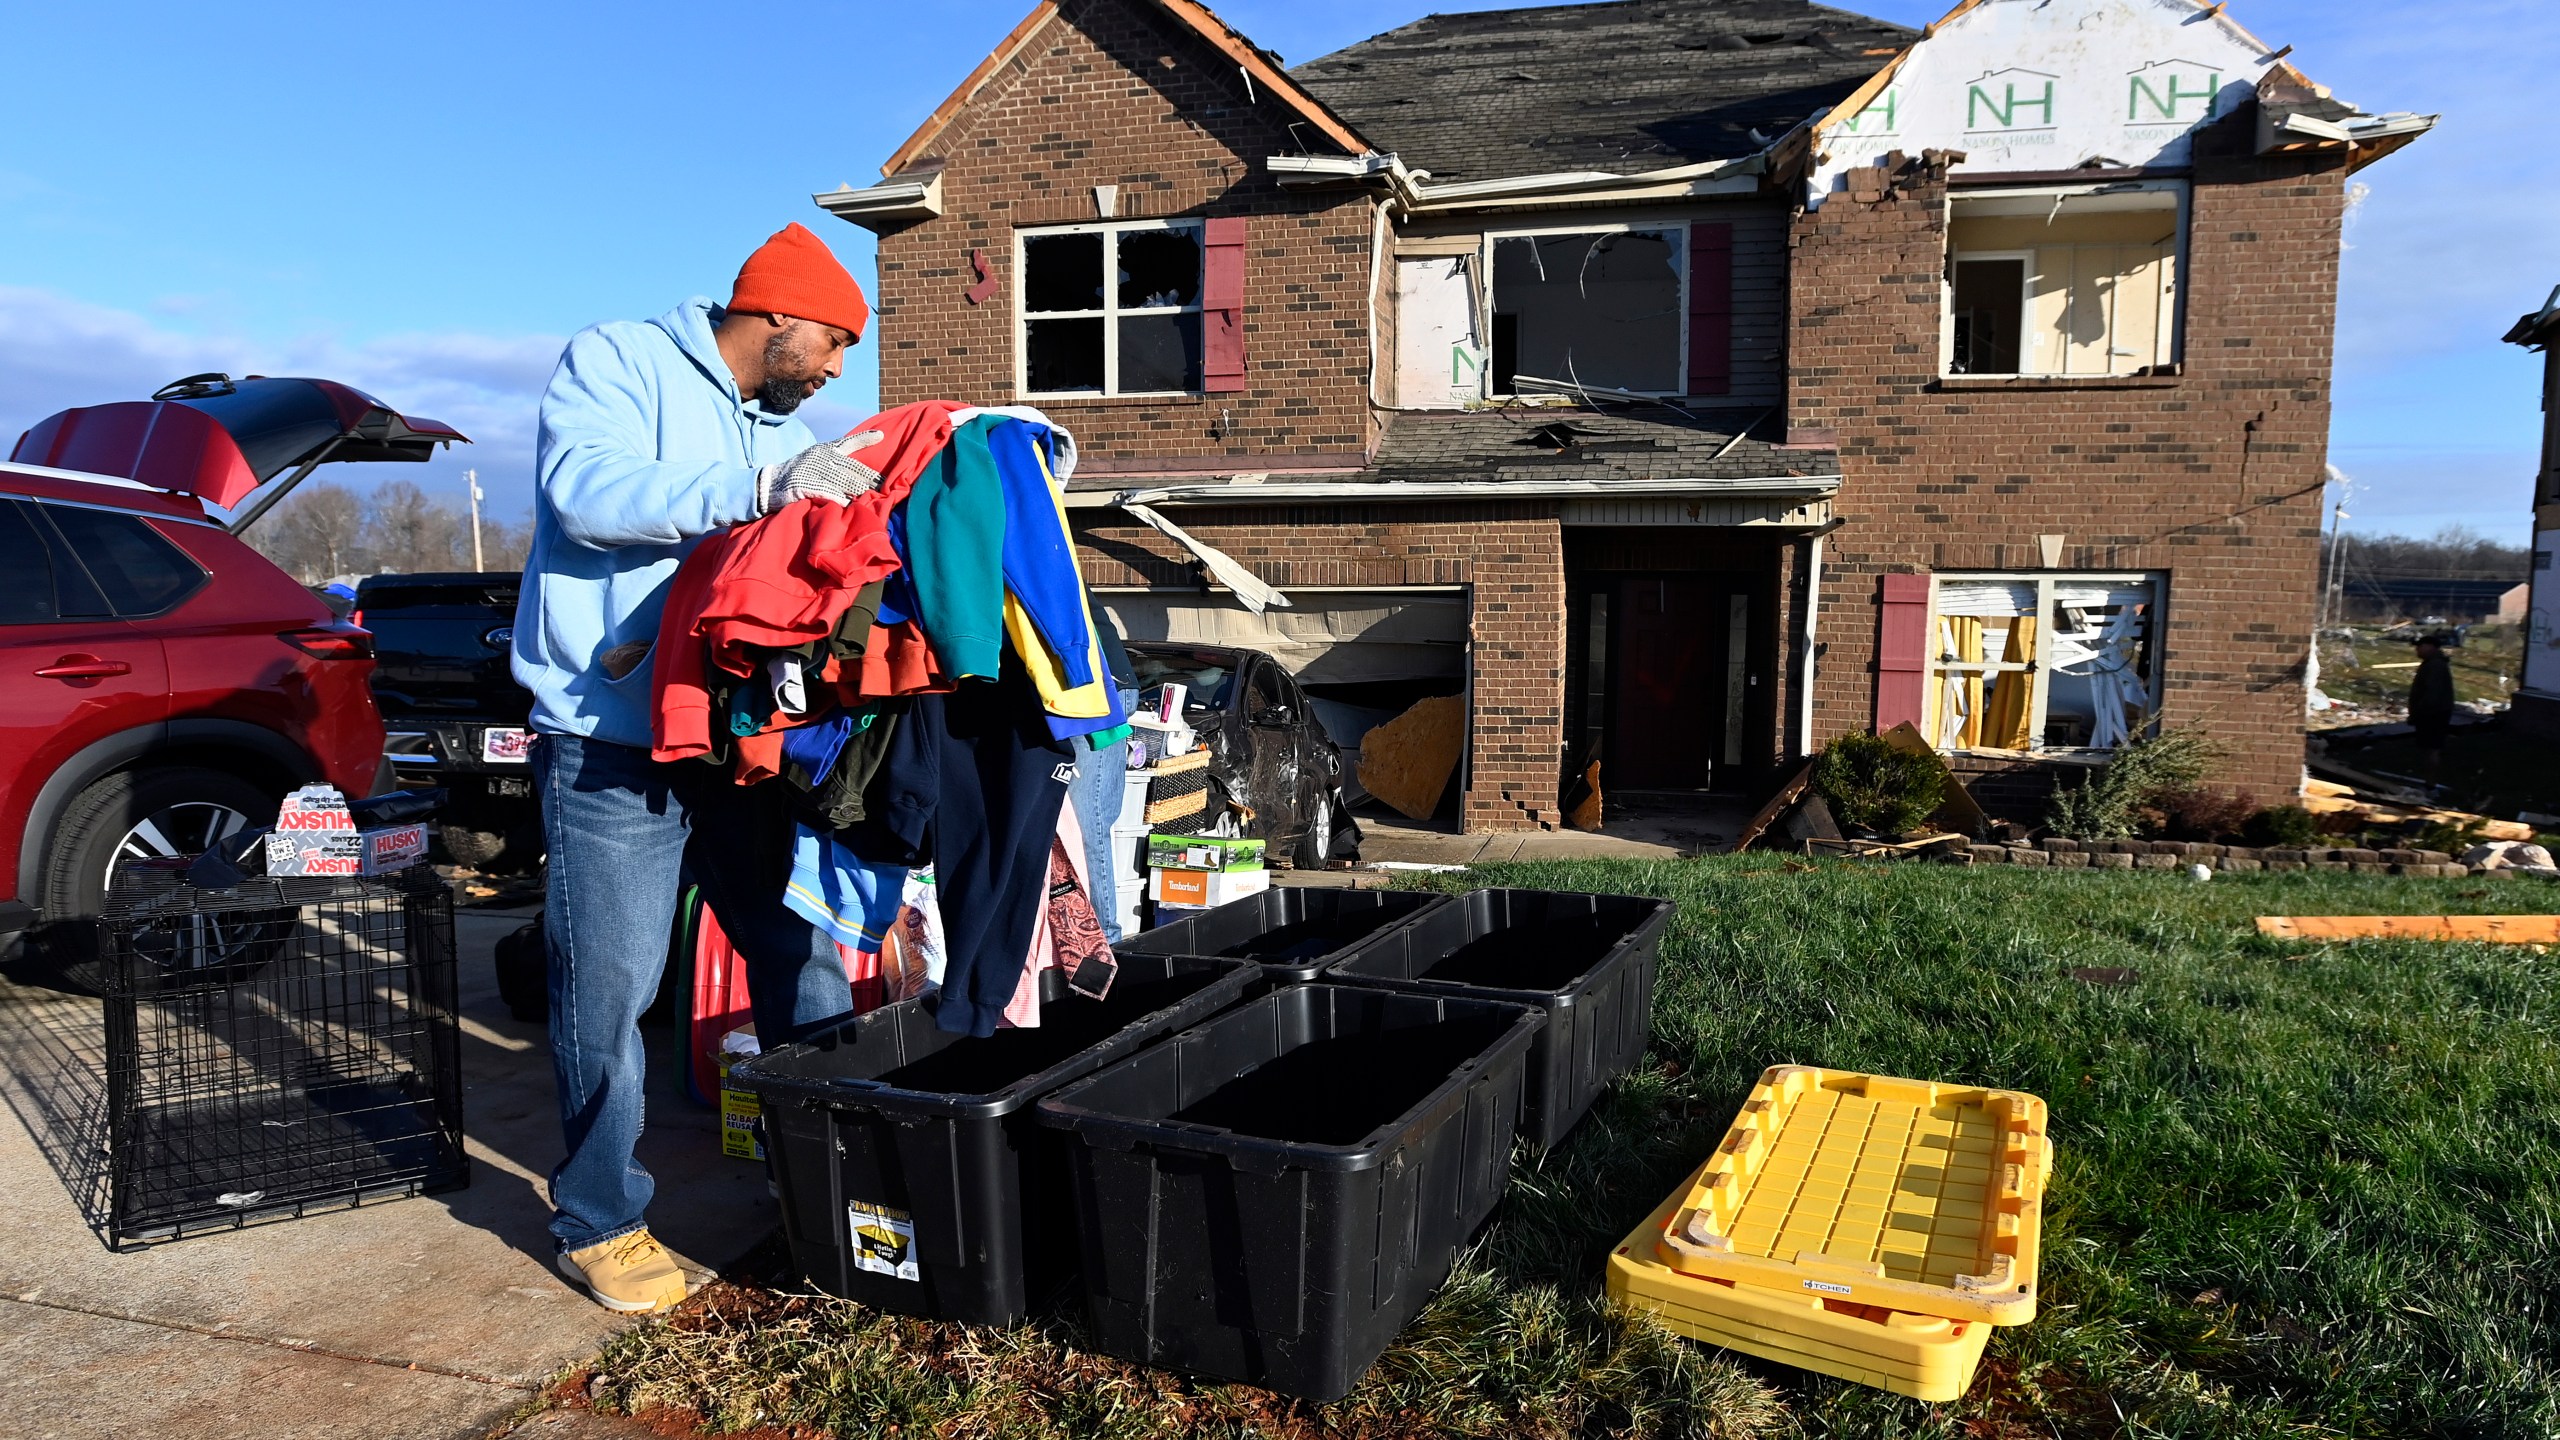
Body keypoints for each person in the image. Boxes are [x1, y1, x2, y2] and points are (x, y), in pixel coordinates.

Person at [511, 223, 881, 1313]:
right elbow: (587, 493)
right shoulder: (616, 361)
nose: (832, 370)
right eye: (832, 343)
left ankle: (815, 1164)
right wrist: (763, 485)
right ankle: (600, 1217)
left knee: (798, 953)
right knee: (612, 985)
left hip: (730, 743)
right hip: (611, 741)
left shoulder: (785, 428)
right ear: (775, 320)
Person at [2408, 632, 2456, 783]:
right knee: (2428, 748)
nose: (2417, 650)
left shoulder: (2435, 666)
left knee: (2432, 748)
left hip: (2433, 714)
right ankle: (2428, 780)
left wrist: (2419, 712)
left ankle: (2430, 783)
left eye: (2420, 647)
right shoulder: (2432, 663)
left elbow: (2431, 693)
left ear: (2430, 647)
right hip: (2433, 712)